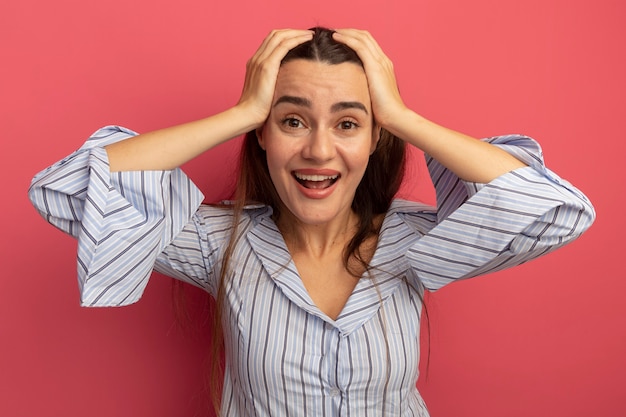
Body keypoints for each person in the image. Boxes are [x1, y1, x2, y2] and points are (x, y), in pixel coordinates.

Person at [28, 27, 595, 416]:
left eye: (348, 124)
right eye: (292, 120)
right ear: (264, 136)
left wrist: (398, 114)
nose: (319, 151)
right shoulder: (216, 242)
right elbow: (64, 190)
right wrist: (242, 111)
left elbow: (559, 212)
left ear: (375, 140)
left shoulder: (416, 241)